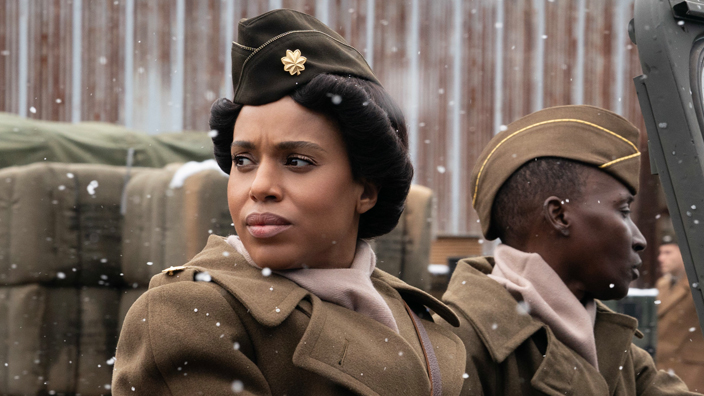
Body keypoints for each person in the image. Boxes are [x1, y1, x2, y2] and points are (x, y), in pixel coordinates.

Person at [111, 9, 466, 396]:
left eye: (297, 161)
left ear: (366, 190)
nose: (259, 187)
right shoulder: (189, 314)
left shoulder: (416, 319)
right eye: (243, 161)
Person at [437, 105, 699, 395]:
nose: (639, 240)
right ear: (559, 216)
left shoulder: (610, 343)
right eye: (623, 211)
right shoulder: (456, 345)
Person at [656, 234, 704, 392]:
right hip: (664, 368)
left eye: (668, 252)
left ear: (684, 252)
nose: (661, 258)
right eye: (660, 253)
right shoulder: (662, 284)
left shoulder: (698, 285)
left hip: (693, 369)